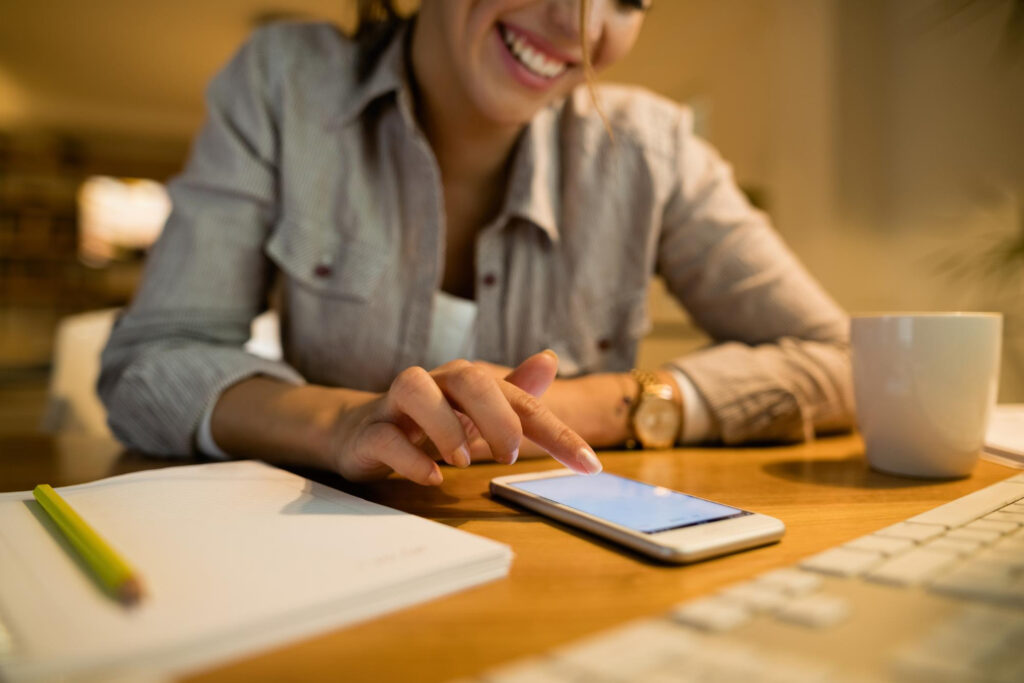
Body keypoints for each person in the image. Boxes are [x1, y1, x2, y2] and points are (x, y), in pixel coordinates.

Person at [99, 0, 853, 487]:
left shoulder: (651, 151)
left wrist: (603, 407)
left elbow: (846, 361)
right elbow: (150, 364)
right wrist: (341, 421)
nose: (581, 24)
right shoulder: (282, 87)